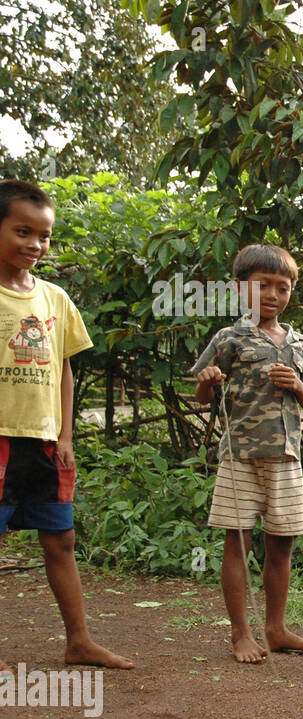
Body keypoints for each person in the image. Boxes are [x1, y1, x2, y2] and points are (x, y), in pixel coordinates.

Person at [0, 179, 132, 672]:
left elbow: (64, 369)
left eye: (44, 236)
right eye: (22, 232)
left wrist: (67, 435)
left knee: (60, 540)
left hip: (44, 441)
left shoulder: (55, 299)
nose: (35, 244)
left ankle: (79, 641)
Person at [191, 245, 303, 664]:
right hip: (239, 456)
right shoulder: (229, 338)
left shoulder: (300, 343)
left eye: (282, 287)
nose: (272, 294)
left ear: (291, 293)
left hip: (286, 457)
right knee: (236, 543)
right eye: (262, 285)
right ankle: (240, 635)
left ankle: (277, 629)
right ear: (239, 288)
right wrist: (209, 380)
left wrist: (297, 386)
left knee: (281, 546)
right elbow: (200, 394)